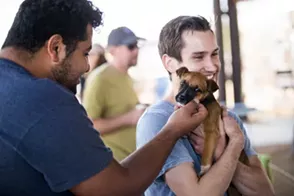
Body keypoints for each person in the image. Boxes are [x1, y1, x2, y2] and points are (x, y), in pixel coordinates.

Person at [0, 1, 208, 195]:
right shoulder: (45, 100)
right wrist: (172, 130)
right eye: (85, 53)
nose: (87, 66)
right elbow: (118, 187)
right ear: (56, 48)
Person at [136, 15, 275, 196]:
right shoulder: (159, 121)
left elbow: (265, 192)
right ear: (169, 63)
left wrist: (219, 151)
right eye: (199, 57)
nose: (212, 66)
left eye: (214, 54)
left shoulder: (228, 118)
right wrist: (233, 146)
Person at [82, 26, 146, 161]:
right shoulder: (100, 78)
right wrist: (128, 118)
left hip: (131, 162)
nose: (136, 50)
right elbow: (88, 126)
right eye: (130, 46)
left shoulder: (127, 77)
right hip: (114, 165)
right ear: (112, 50)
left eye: (137, 46)